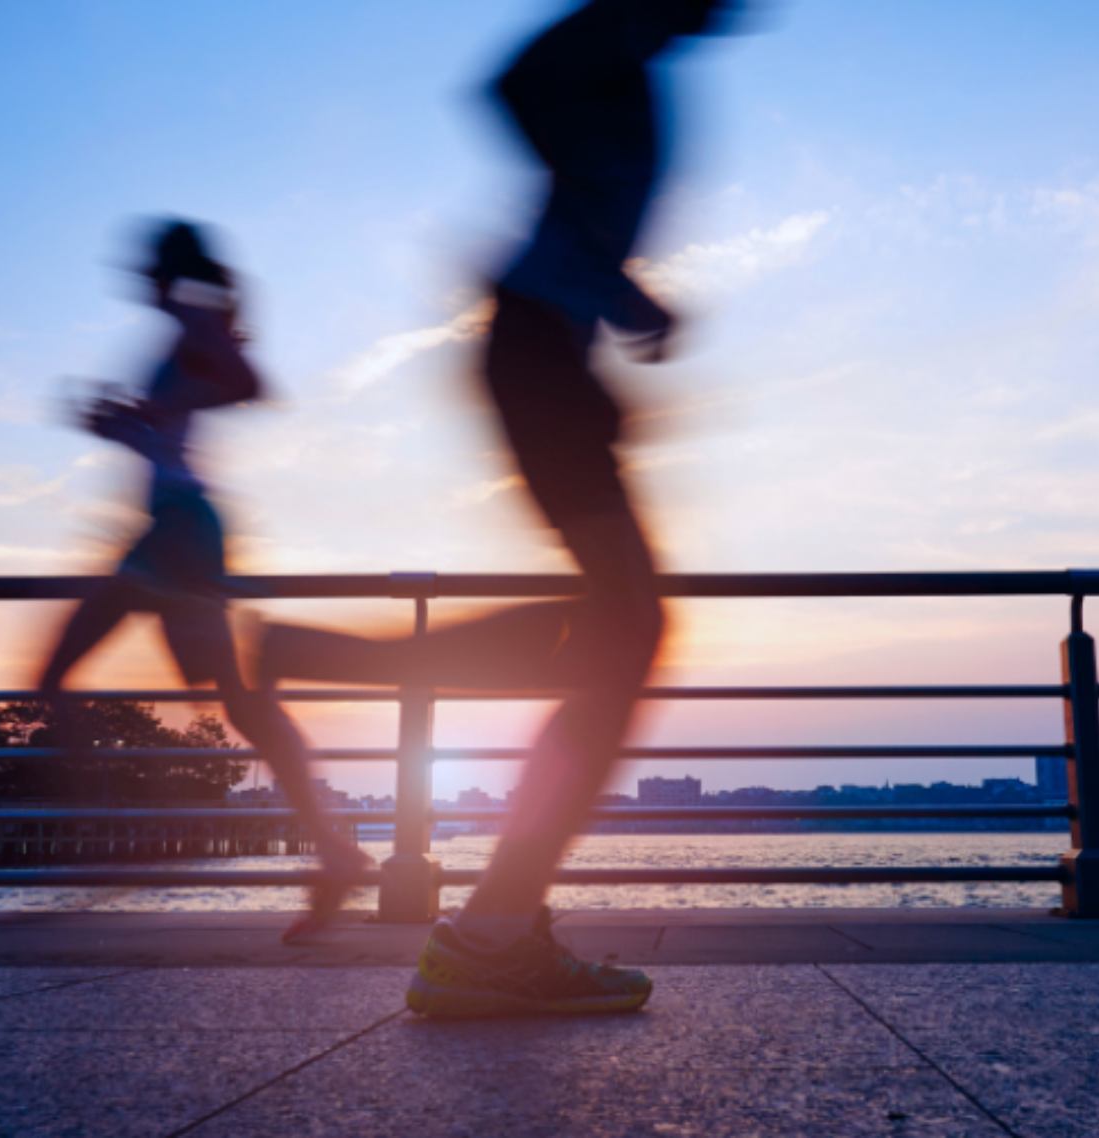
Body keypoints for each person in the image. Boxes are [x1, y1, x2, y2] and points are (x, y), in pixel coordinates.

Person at [255, 0, 737, 1016]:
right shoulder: (615, 40)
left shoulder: (637, 67)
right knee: (632, 623)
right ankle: (492, 931)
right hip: (535, 352)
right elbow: (514, 84)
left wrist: (612, 293)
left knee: (618, 624)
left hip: (548, 353)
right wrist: (605, 281)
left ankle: (492, 918)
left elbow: (540, 126)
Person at [37, 219, 370, 943]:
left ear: (165, 271)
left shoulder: (191, 315)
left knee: (67, 678)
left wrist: (152, 412)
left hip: (180, 529)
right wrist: (127, 424)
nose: (137, 278)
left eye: (145, 266)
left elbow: (247, 384)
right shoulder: (183, 324)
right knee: (237, 703)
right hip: (169, 529)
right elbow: (175, 426)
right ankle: (333, 849)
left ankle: (103, 821)